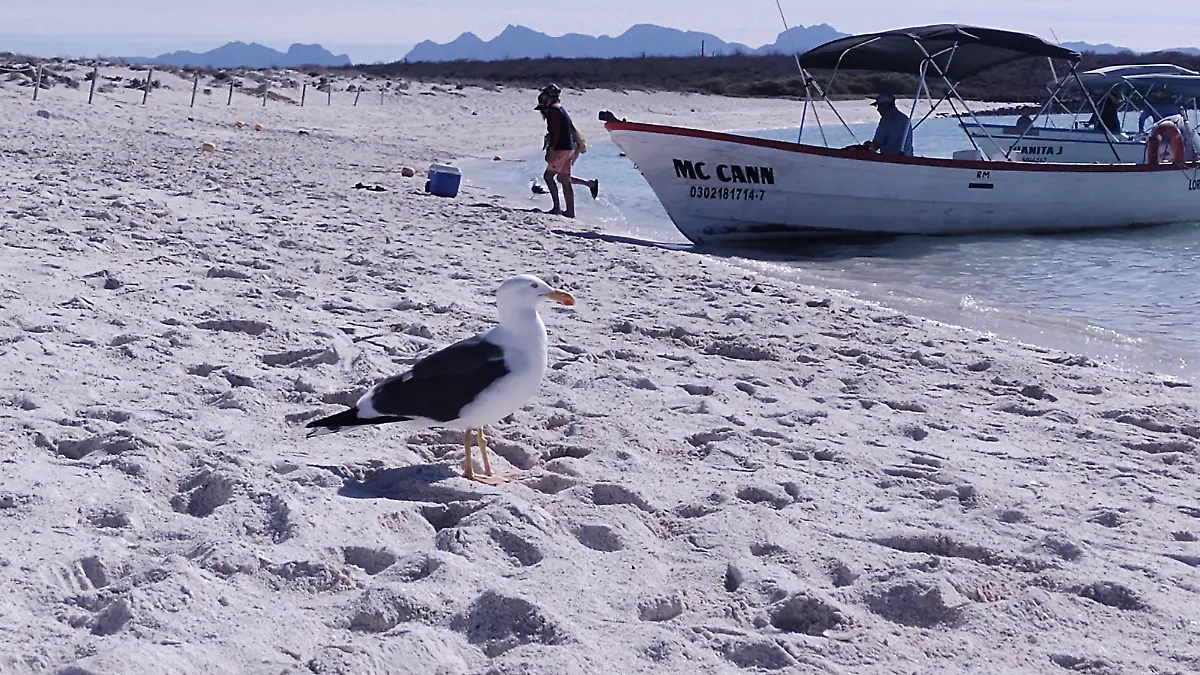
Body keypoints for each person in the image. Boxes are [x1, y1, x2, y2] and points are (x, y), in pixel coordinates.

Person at [536, 84, 598, 218]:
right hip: (569, 147)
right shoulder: (559, 109)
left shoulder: (553, 110)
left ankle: (557, 208)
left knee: (548, 177)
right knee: (564, 179)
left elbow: (556, 132)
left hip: (561, 147)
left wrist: (551, 149)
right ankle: (570, 211)